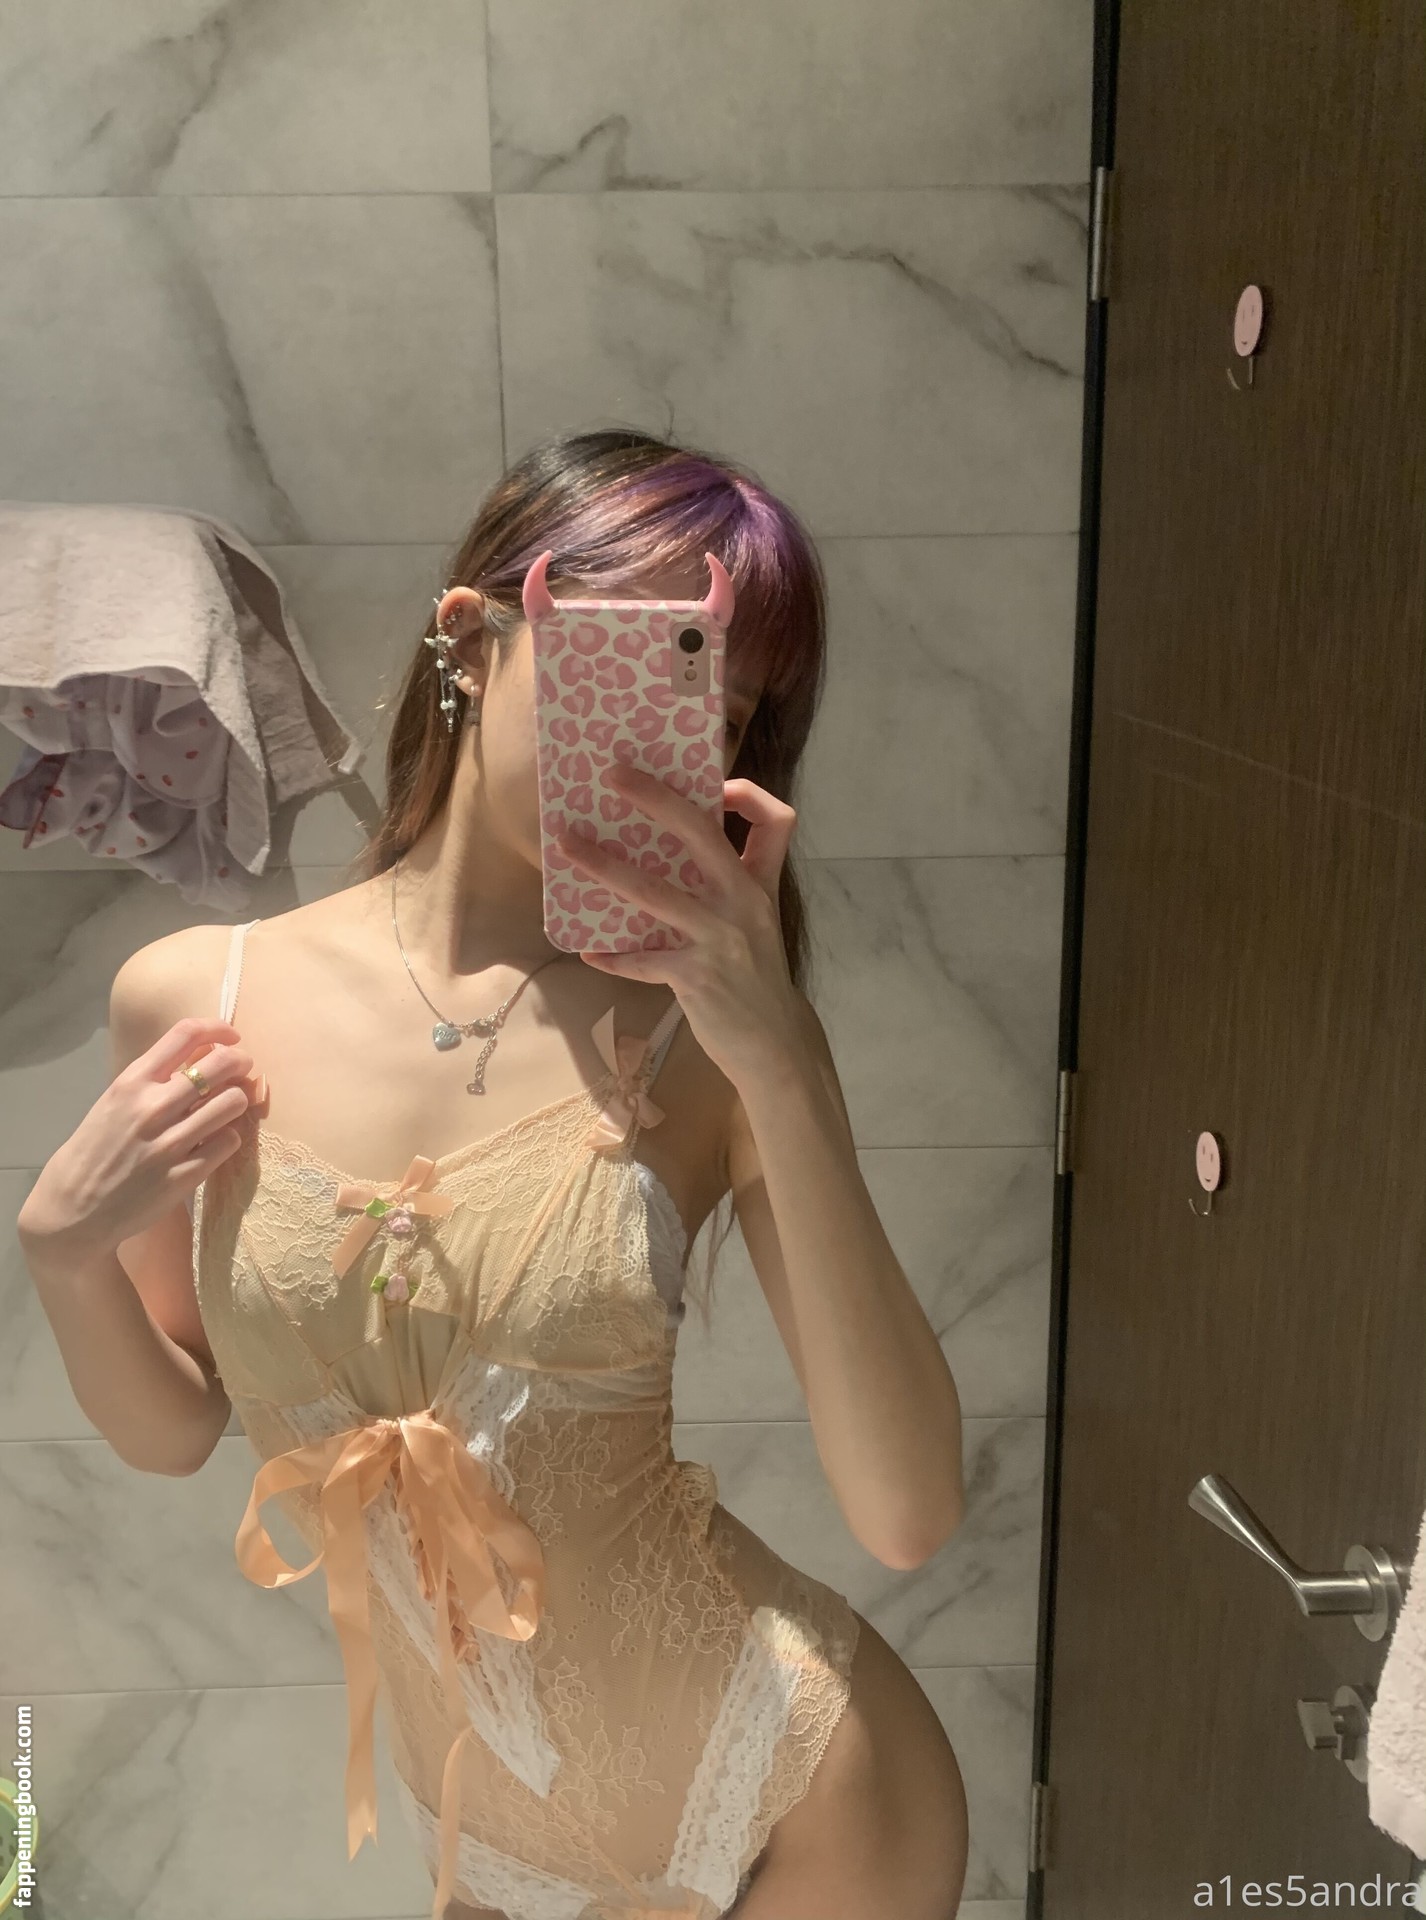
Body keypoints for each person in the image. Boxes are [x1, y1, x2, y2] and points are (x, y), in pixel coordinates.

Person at [19, 427, 969, 1920]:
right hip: (485, 1837)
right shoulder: (199, 997)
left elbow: (906, 1512)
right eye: (643, 661)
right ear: (472, 637)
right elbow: (174, 1425)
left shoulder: (714, 1042)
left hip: (797, 1794)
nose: (679, 732)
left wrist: (781, 1054)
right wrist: (62, 1253)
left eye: (727, 705)